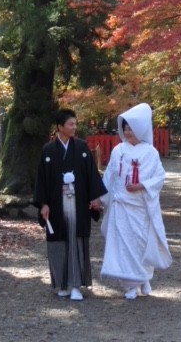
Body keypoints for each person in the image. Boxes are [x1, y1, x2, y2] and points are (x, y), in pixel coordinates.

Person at [100, 102, 172, 299]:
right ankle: (130, 286)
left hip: (140, 206)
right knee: (124, 245)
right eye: (125, 128)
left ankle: (144, 278)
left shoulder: (150, 152)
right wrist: (100, 198)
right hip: (121, 205)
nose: (128, 132)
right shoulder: (118, 150)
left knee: (140, 243)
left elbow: (159, 177)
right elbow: (110, 176)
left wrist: (141, 185)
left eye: (131, 128)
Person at [34, 108, 107, 301]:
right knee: (58, 242)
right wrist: (43, 204)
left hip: (78, 202)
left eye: (75, 124)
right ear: (60, 127)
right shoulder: (48, 150)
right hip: (56, 204)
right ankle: (61, 283)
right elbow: (41, 180)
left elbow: (92, 175)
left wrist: (96, 198)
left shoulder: (82, 148)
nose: (74, 127)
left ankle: (75, 284)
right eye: (70, 124)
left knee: (76, 241)